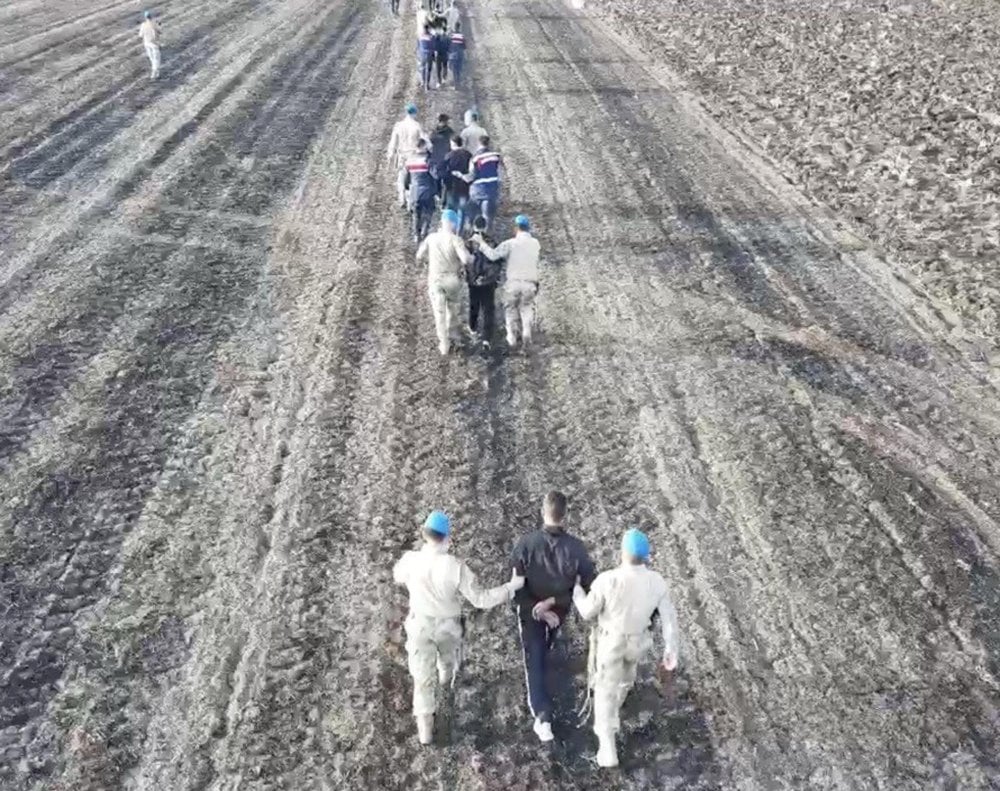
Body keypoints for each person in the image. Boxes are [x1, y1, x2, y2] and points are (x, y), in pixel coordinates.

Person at [394, 511, 526, 745]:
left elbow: (398, 576)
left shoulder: (410, 560)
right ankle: (446, 680)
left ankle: (425, 729)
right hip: (448, 626)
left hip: (420, 625)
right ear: (447, 538)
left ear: (425, 535)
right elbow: (481, 600)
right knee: (447, 660)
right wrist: (510, 587)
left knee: (422, 676)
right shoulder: (455, 567)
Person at [573, 529, 680, 768]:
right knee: (626, 678)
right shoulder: (657, 582)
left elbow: (587, 611)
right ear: (646, 556)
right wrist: (670, 650)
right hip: (638, 642)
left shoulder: (608, 580)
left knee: (604, 690)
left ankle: (607, 748)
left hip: (611, 642)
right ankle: (617, 707)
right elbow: (669, 620)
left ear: (622, 552)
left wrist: (577, 593)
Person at [510, 491, 597, 742]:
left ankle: (542, 716)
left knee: (533, 660)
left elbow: (516, 587)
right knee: (545, 645)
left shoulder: (525, 544)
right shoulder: (576, 549)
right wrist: (554, 604)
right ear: (565, 515)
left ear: (542, 512)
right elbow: (587, 585)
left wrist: (540, 606)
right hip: (559, 610)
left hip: (531, 610)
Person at [474, 214, 539, 349]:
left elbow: (493, 255)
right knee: (526, 308)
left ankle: (511, 338)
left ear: (516, 228)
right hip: (530, 283)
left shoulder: (510, 244)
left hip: (513, 283)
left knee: (510, 310)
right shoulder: (535, 244)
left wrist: (481, 243)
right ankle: (526, 333)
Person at [416, 210, 473, 355]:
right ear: (454, 224)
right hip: (452, 280)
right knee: (452, 309)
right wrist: (471, 258)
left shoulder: (431, 237)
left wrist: (425, 262)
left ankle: (444, 344)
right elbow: (465, 260)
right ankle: (453, 335)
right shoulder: (456, 240)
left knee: (438, 312)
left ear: (442, 222)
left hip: (435, 279)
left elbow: (419, 255)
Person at [464, 216, 503, 349]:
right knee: (488, 309)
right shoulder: (492, 242)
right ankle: (487, 339)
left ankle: (473, 329)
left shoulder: (468, 243)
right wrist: (491, 278)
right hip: (488, 282)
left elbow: (466, 263)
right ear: (485, 226)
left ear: (473, 226)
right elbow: (497, 262)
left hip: (473, 282)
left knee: (474, 306)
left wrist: (472, 278)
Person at [387, 103, 427, 209]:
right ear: (415, 113)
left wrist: (390, 154)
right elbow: (425, 140)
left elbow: (393, 142)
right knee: (413, 179)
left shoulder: (399, 125)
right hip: (413, 156)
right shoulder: (417, 126)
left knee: (401, 178)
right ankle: (410, 201)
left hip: (402, 156)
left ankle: (402, 198)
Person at [463, 135, 502, 232]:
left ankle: (472, 233)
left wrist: (463, 177)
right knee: (489, 217)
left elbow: (472, 176)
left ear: (479, 144)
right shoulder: (496, 157)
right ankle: (488, 235)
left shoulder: (475, 158)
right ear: (489, 143)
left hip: (477, 190)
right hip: (492, 190)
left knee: (472, 214)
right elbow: (501, 173)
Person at [405, 139, 437, 243]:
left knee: (416, 214)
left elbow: (407, 178)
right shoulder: (428, 160)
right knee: (429, 211)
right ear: (424, 147)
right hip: (427, 191)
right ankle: (425, 230)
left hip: (415, 191)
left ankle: (416, 234)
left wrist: (407, 188)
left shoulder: (409, 160)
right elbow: (435, 175)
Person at [443, 135, 472, 227]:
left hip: (452, 186)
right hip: (465, 186)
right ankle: (461, 229)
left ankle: (451, 227)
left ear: (453, 144)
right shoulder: (468, 154)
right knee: (462, 209)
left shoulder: (449, 156)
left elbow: (445, 171)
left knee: (451, 209)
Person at [429, 114, 454, 202]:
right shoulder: (449, 131)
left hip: (436, 158)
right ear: (445, 121)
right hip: (446, 158)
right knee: (447, 179)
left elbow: (430, 144)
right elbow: (453, 143)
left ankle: (438, 195)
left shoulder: (434, 132)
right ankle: (446, 198)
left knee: (437, 178)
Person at [138, 10, 161, 80]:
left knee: (151, 58)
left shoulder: (143, 25)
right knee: (156, 59)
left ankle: (155, 71)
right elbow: (160, 32)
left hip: (147, 43)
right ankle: (154, 72)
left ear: (145, 17)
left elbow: (140, 35)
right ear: (151, 17)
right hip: (154, 43)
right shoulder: (154, 24)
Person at [418, 25, 436, 90]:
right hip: (429, 54)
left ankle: (423, 82)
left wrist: (419, 54)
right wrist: (433, 56)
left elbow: (418, 45)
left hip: (422, 54)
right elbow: (433, 47)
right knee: (428, 69)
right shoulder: (431, 36)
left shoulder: (420, 36)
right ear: (428, 29)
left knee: (423, 68)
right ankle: (427, 85)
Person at [448, 22, 466, 88]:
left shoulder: (452, 36)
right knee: (459, 69)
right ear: (459, 27)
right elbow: (464, 47)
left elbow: (449, 46)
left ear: (455, 27)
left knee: (454, 69)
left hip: (453, 54)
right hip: (460, 54)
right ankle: (458, 82)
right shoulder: (462, 36)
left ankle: (455, 83)